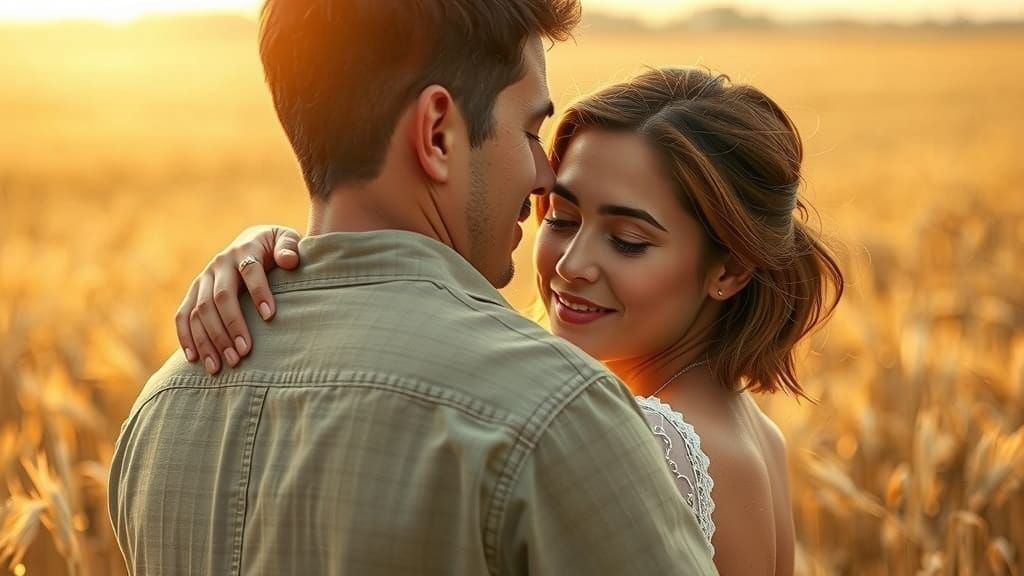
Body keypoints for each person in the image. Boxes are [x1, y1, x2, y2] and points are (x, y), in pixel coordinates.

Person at [108, 1, 719, 574]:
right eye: (531, 133)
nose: (543, 177)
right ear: (436, 134)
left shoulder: (161, 409)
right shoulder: (556, 411)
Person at [181, 67, 845, 575]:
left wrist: (300, 273)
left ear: (728, 270)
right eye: (561, 218)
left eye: (629, 240)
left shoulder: (635, 437)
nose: (571, 264)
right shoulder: (749, 432)